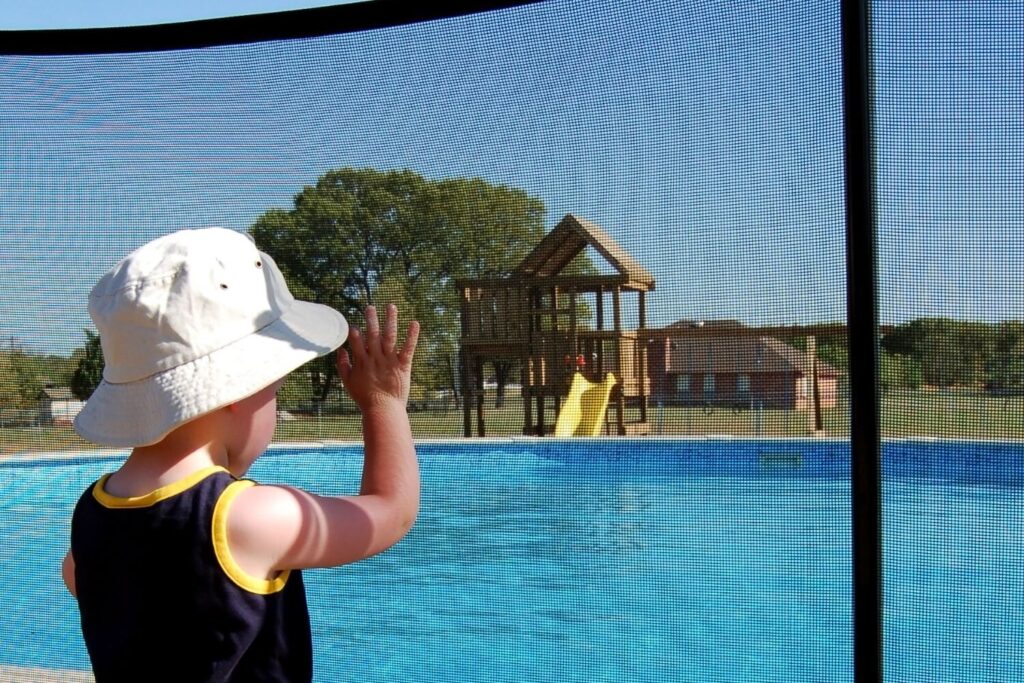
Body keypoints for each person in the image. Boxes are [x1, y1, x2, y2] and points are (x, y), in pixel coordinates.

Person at [61, 227, 420, 682]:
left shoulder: (92, 513)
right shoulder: (246, 516)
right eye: (273, 388)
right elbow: (391, 513)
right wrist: (383, 404)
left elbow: (77, 577)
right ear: (239, 387)